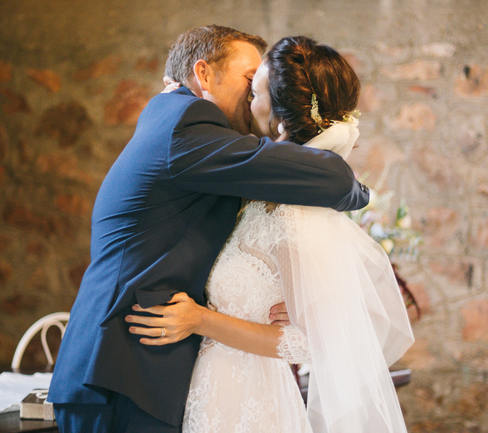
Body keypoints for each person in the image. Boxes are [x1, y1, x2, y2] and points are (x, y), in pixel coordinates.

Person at [47, 26, 369, 433]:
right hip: (122, 374)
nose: (254, 97)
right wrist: (359, 192)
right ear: (203, 74)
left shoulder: (180, 125)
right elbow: (335, 180)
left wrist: (291, 292)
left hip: (146, 375)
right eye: (249, 81)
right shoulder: (188, 123)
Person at [126, 36, 414, 433]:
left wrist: (199, 320)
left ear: (278, 116)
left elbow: (306, 342)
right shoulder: (260, 193)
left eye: (255, 91)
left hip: (252, 401)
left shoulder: (297, 215)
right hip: (210, 391)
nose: (247, 100)